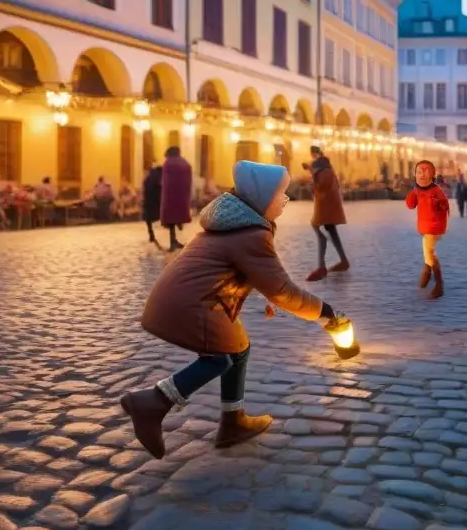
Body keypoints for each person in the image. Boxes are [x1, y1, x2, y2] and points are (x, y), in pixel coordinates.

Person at [121, 161, 347, 459]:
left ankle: (233, 421)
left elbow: (232, 270)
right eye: (281, 194)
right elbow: (283, 292)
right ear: (263, 198)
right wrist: (325, 314)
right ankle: (153, 401)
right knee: (219, 359)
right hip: (191, 306)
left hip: (187, 301)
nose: (285, 200)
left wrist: (258, 297)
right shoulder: (249, 233)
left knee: (237, 348)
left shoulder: (235, 224)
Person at [406, 160, 450, 299]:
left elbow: (445, 206)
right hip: (425, 226)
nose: (422, 175)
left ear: (432, 174)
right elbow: (410, 204)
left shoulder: (436, 190)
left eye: (426, 172)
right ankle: (427, 270)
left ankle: (438, 284)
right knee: (428, 252)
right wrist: (413, 192)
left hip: (434, 226)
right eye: (419, 172)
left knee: (429, 252)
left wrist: (438, 204)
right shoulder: (417, 190)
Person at [304, 146, 349, 282]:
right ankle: (341, 260)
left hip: (327, 207)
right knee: (329, 230)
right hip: (326, 206)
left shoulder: (325, 173)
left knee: (321, 228)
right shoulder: (326, 172)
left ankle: (324, 265)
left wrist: (311, 174)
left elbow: (320, 187)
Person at [160, 146, 193, 251]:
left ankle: (173, 241)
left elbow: (165, 181)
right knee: (176, 218)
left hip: (170, 197)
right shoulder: (185, 163)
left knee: (170, 221)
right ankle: (174, 240)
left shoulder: (168, 163)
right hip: (182, 197)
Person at [142, 165, 163, 244]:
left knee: (148, 220)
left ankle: (151, 235)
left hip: (148, 202)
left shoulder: (147, 179)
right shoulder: (157, 179)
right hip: (155, 201)